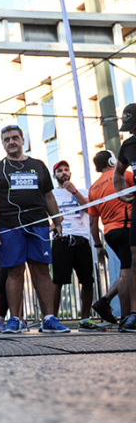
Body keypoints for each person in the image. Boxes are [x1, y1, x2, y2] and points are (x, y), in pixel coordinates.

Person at [0, 125, 64, 333]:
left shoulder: (38, 165)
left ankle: (49, 318)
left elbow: (48, 196)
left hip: (38, 224)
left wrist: (57, 221)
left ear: (22, 140)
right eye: (7, 139)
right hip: (10, 227)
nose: (11, 142)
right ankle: (15, 319)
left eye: (15, 138)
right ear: (3, 144)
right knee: (15, 271)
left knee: (42, 270)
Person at [50, 160, 95, 330]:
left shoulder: (81, 191)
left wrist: (74, 191)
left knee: (87, 280)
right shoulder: (52, 194)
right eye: (60, 171)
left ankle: (85, 319)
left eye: (66, 170)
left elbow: (89, 210)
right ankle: (52, 318)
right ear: (55, 176)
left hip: (81, 238)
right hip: (62, 239)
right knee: (58, 281)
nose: (64, 173)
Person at [88, 150, 129, 326]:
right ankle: (126, 316)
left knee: (127, 271)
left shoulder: (93, 188)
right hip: (127, 228)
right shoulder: (125, 175)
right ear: (113, 161)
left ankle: (106, 301)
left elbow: (92, 223)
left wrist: (98, 246)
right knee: (128, 273)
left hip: (109, 234)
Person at [114, 102, 136, 332]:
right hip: (135, 204)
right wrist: (121, 192)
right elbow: (118, 172)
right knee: (134, 256)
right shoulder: (128, 145)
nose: (132, 131)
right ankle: (134, 313)